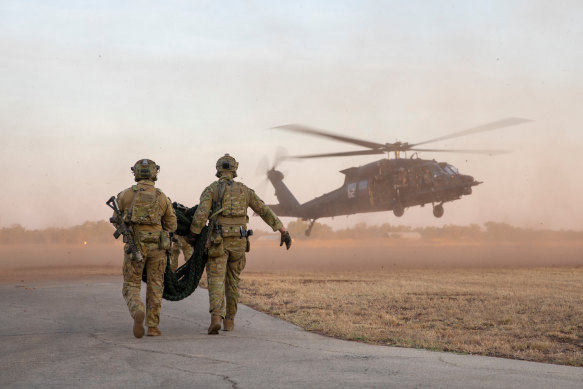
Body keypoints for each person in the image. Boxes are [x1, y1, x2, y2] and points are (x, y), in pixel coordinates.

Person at [185, 153, 291, 334]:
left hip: (218, 242)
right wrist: (282, 230)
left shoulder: (211, 189)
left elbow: (201, 215)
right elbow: (264, 210)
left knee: (216, 280)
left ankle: (216, 317)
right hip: (240, 243)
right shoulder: (245, 190)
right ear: (235, 170)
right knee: (233, 282)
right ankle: (230, 321)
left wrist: (193, 235)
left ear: (218, 169)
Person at [113, 159, 177, 338]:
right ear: (154, 173)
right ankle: (153, 327)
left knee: (131, 284)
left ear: (136, 173)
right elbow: (171, 224)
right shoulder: (161, 196)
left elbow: (115, 220)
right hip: (158, 247)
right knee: (156, 286)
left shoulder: (125, 195)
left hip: (135, 246)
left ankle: (137, 310)